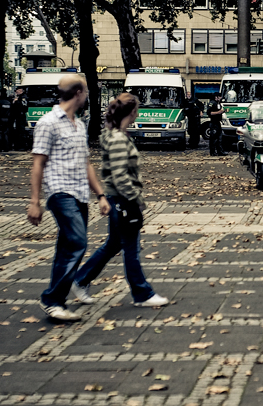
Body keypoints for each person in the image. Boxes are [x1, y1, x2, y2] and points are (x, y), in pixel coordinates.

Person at [27, 75, 111, 322]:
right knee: (77, 242)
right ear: (78, 93)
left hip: (79, 194)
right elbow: (38, 163)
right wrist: (35, 201)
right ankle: (51, 298)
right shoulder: (48, 123)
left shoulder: (79, 124)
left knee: (67, 246)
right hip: (59, 192)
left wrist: (100, 195)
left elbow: (86, 164)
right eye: (86, 91)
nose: (87, 96)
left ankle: (55, 302)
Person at [72, 93, 168, 309]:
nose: (138, 113)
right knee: (131, 249)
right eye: (137, 110)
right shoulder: (117, 139)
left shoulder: (115, 135)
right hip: (123, 200)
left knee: (113, 244)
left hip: (118, 199)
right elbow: (119, 175)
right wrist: (136, 199)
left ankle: (80, 279)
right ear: (132, 113)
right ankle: (142, 293)